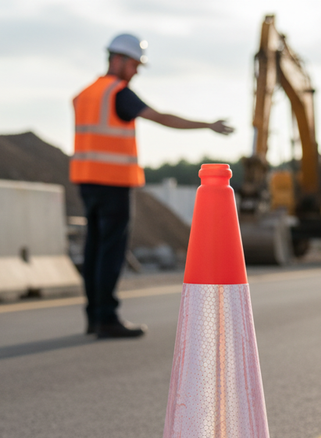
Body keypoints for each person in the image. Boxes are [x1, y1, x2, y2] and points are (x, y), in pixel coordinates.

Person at [71, 33, 234, 338]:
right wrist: (207, 125)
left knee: (94, 249)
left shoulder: (86, 94)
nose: (135, 72)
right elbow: (160, 117)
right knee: (111, 251)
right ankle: (107, 317)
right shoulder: (118, 93)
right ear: (118, 60)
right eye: (134, 65)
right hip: (113, 182)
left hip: (86, 181)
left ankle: (94, 317)